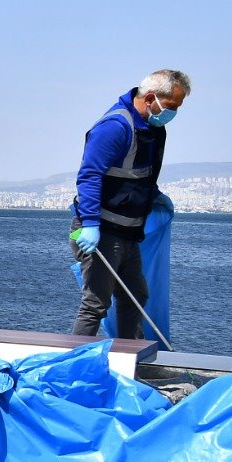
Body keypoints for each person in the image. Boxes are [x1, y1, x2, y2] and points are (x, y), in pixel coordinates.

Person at [69, 69, 191, 338]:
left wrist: (154, 196)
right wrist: (90, 224)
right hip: (101, 231)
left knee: (135, 296)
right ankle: (72, 368)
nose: (174, 114)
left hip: (128, 232)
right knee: (95, 303)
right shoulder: (114, 127)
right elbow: (89, 177)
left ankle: (128, 361)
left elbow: (142, 174)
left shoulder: (154, 130)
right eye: (171, 106)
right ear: (150, 98)